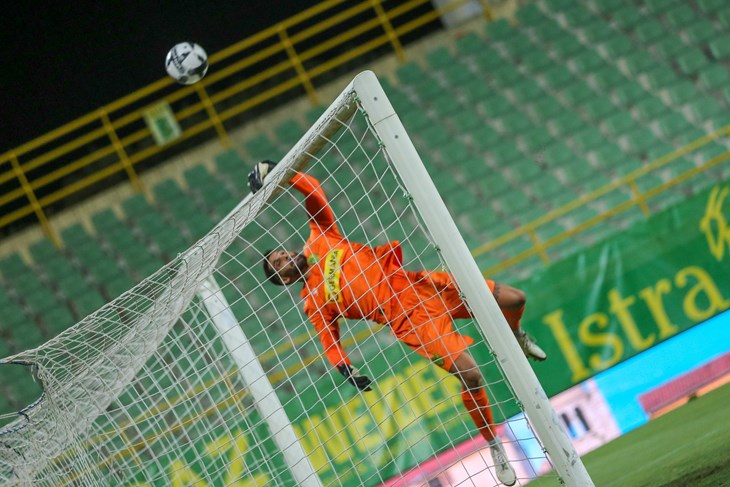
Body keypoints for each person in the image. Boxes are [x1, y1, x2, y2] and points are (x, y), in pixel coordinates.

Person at [249, 161, 546, 486]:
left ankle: (516, 334)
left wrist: (284, 172)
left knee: (515, 300)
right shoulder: (313, 301)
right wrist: (345, 368)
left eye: (281, 253)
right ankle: (493, 443)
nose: (285, 257)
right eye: (279, 264)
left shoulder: (321, 239)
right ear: (286, 279)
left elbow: (316, 192)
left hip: (423, 286)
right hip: (409, 322)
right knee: (472, 374)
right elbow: (329, 340)